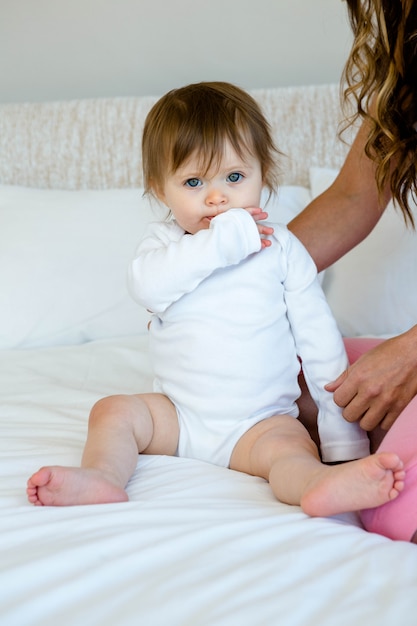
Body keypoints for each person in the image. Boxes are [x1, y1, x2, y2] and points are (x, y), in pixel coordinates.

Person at [26, 81, 405, 520]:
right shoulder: (164, 246)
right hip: (179, 417)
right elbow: (147, 287)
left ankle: (318, 485)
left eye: (235, 177)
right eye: (193, 182)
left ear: (264, 174)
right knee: (112, 411)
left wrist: (344, 443)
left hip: (260, 421)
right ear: (159, 188)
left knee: (291, 452)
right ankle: (102, 476)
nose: (216, 197)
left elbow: (321, 347)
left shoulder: (281, 250)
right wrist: (220, 245)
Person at [288, 0, 417, 542]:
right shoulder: (406, 68)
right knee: (284, 381)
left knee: (392, 506)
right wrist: (229, 291)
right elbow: (351, 196)